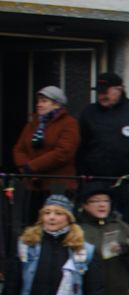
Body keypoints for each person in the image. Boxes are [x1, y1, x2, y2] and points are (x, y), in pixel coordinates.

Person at [77, 72, 129, 227]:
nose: (102, 95)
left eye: (105, 91)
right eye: (99, 92)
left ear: (119, 89)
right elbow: (80, 147)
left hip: (128, 184)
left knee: (127, 226)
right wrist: (83, 175)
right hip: (96, 184)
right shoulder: (88, 113)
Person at [12, 85, 80, 224]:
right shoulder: (33, 124)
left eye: (44, 101)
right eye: (38, 101)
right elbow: (19, 149)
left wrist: (33, 166)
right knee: (33, 222)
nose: (39, 104)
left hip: (58, 183)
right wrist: (26, 169)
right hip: (34, 183)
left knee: (57, 220)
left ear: (56, 104)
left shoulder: (69, 123)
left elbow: (63, 152)